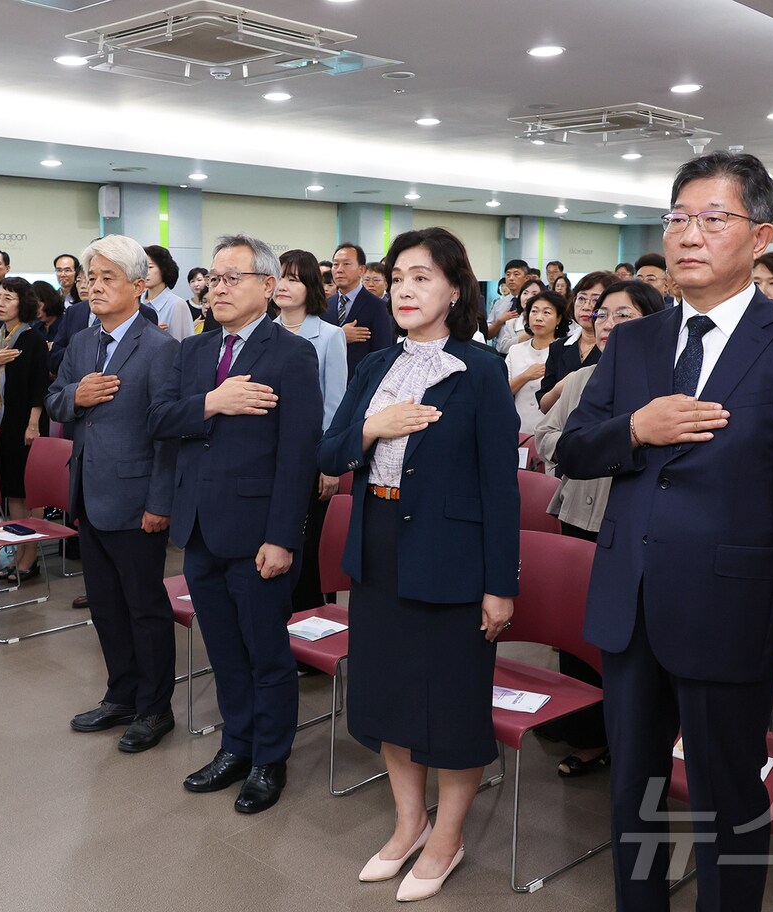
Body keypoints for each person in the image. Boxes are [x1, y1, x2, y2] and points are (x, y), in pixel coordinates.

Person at [556, 152, 773, 912]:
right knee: (634, 788)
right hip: (630, 601)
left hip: (732, 605)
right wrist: (637, 426)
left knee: (728, 795)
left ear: (760, 237)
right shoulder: (634, 341)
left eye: (713, 219)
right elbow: (574, 449)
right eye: (679, 218)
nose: (690, 235)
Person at [317, 227, 518, 902]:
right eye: (398, 275)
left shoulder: (481, 369)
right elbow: (329, 451)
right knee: (389, 699)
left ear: (456, 289)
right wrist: (374, 428)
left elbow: (502, 485)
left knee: (451, 708)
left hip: (453, 559)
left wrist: (500, 585)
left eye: (423, 276)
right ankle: (408, 825)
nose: (405, 288)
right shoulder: (374, 365)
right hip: (378, 552)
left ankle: (447, 837)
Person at [149, 233, 322, 815]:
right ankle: (235, 745)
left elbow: (298, 455)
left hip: (257, 533)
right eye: (213, 278)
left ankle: (270, 759)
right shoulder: (195, 351)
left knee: (266, 653)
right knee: (222, 648)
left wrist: (282, 537)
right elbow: (161, 418)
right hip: (199, 526)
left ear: (267, 287)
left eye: (231, 278)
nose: (216, 288)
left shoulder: (291, 353)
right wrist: (212, 403)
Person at [46, 235, 181, 753]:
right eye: (90, 279)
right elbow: (55, 398)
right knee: (104, 604)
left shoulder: (162, 348)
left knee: (144, 608)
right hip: (89, 491)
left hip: (137, 499)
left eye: (107, 279)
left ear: (139, 287)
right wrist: (75, 397)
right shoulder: (82, 341)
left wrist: (159, 503)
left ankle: (154, 708)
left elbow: (169, 435)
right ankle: (120, 694)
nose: (95, 288)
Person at [534, 281, 666, 778]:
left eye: (624, 316)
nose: (609, 325)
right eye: (603, 314)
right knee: (580, 629)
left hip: (629, 520)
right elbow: (549, 438)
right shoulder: (581, 378)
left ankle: (629, 735)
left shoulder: (664, 384)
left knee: (625, 636)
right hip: (577, 512)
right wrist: (582, 451)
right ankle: (587, 730)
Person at [272, 248, 348, 614]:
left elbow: (335, 405)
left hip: (309, 456)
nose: (283, 286)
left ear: (311, 287)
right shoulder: (264, 332)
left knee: (308, 545)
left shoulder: (330, 335)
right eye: (280, 277)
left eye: (294, 278)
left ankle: (307, 629)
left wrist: (329, 464)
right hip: (268, 454)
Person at [0, 277, 50, 584]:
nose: (0, 303)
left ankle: (31, 557)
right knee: (12, 493)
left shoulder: (32, 338)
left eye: (8, 298)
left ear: (22, 303)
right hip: (1, 423)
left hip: (27, 424)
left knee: (31, 493)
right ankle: (17, 551)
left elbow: (39, 384)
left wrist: (34, 422)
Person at [538, 271, 616, 411]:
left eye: (595, 300)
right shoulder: (559, 347)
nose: (586, 306)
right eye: (581, 299)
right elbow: (544, 406)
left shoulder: (616, 348)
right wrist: (560, 388)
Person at [325, 242, 394, 378]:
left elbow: (382, 353)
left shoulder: (377, 306)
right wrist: (341, 336)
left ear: (361, 270)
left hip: (360, 381)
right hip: (328, 381)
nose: (339, 269)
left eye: (346, 264)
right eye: (335, 264)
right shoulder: (325, 305)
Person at [506, 291, 564, 433]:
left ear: (559, 319)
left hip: (552, 429)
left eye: (546, 313)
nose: (538, 318)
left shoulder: (564, 352)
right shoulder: (515, 350)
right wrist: (526, 375)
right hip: (518, 427)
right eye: (534, 311)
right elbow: (502, 391)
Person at [141, 244, 192, 343]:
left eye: (150, 267)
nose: (145, 272)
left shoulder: (177, 305)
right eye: (143, 267)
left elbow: (183, 345)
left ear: (163, 269)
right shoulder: (137, 302)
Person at [494, 277, 546, 354]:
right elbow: (503, 347)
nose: (528, 297)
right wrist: (525, 336)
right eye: (525, 293)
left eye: (534, 294)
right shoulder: (512, 323)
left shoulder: (549, 321)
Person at [487, 259, 530, 339]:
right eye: (508, 274)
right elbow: (488, 335)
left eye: (516, 274)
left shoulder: (533, 302)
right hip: (500, 350)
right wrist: (499, 321)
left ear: (526, 278)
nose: (511, 278)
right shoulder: (499, 303)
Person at [31, 281, 65, 351]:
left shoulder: (66, 324)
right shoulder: (35, 328)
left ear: (49, 301)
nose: (37, 313)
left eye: (39, 306)